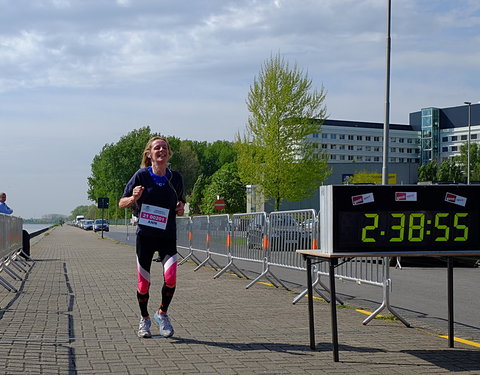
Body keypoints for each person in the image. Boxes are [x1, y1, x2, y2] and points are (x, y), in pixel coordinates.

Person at [119, 136, 186, 339]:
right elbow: (121, 203)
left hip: (167, 235)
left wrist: (181, 208)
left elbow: (180, 206)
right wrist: (134, 198)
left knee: (171, 277)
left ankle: (162, 314)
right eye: (157, 148)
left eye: (165, 148)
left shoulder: (176, 178)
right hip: (145, 237)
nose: (162, 150)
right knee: (143, 283)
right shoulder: (141, 176)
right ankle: (144, 319)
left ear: (169, 153)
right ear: (150, 154)